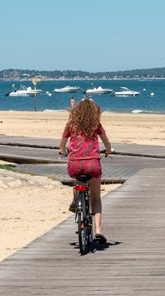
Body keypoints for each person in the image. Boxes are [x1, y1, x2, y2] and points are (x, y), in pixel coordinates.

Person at [59, 99, 113, 244]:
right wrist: (108, 150)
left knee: (78, 182)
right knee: (96, 199)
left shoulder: (71, 124)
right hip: (92, 165)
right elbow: (106, 142)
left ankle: (76, 201)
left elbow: (62, 144)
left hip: (75, 165)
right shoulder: (96, 124)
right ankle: (98, 231)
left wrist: (63, 151)